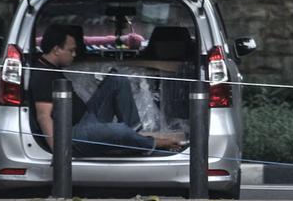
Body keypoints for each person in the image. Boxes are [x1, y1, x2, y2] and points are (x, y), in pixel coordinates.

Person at [29, 24, 182, 157]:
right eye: (71, 50)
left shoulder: (51, 66)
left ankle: (134, 138)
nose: (75, 54)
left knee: (117, 80)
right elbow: (43, 116)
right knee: (119, 130)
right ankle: (152, 143)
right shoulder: (42, 74)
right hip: (74, 133)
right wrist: (59, 152)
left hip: (87, 117)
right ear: (56, 50)